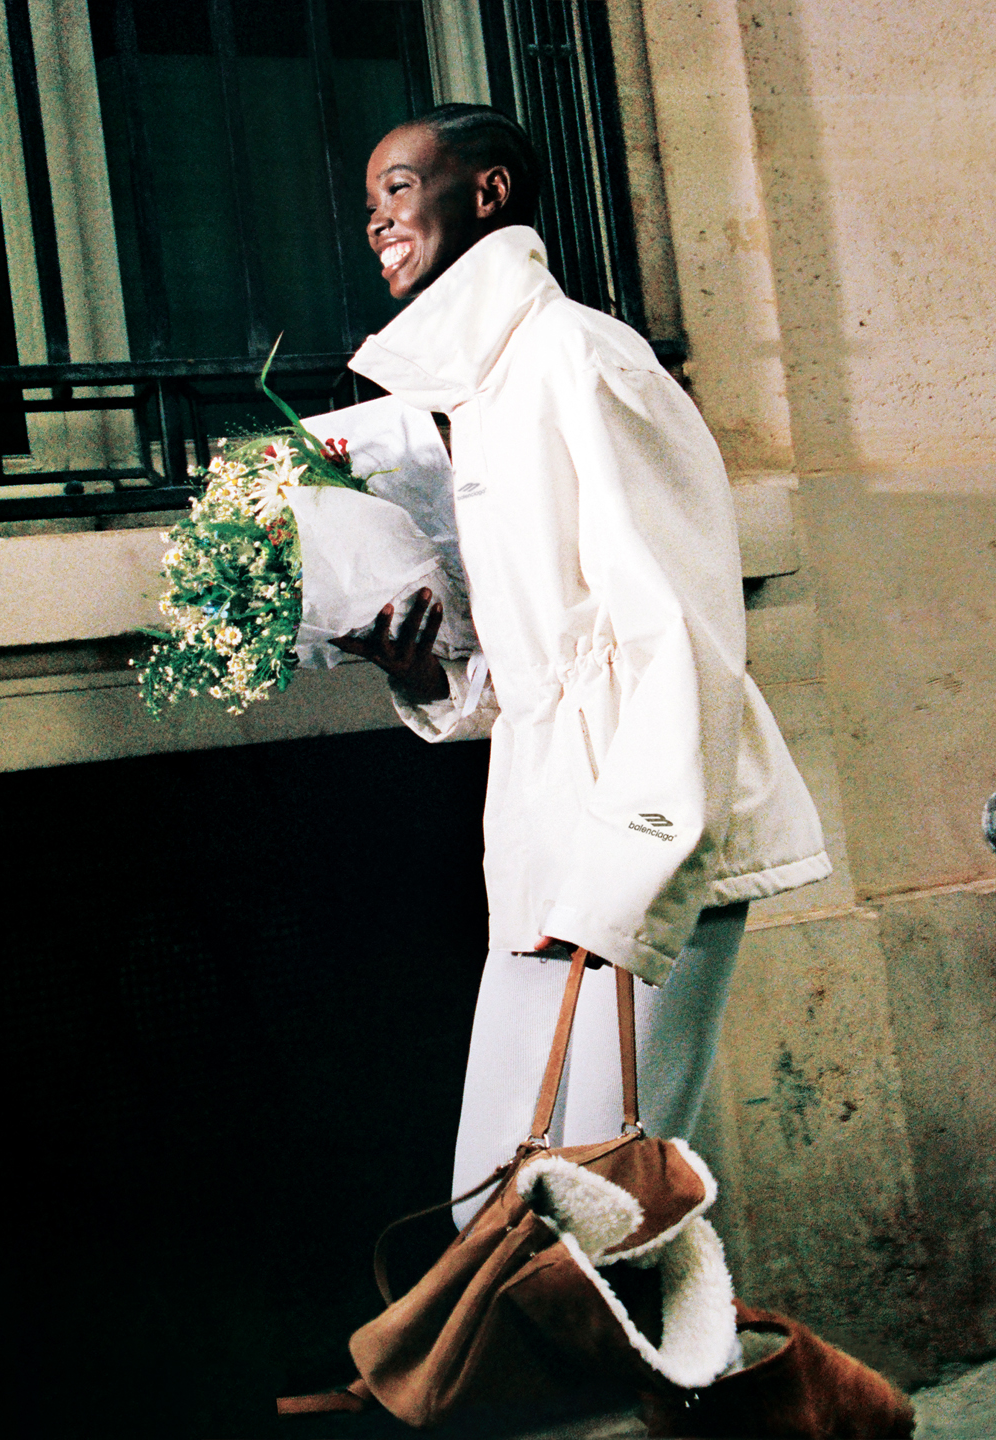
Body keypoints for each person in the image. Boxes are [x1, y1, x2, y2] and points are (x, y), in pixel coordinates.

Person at [335, 104, 831, 1224]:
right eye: (369, 203)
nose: (376, 220)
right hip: (541, 838)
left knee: (597, 1214)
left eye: (399, 187)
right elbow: (535, 670)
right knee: (497, 1212)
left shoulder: (579, 356)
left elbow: (680, 630)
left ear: (489, 193)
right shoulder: (481, 396)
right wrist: (421, 674)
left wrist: (621, 880)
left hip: (639, 840)